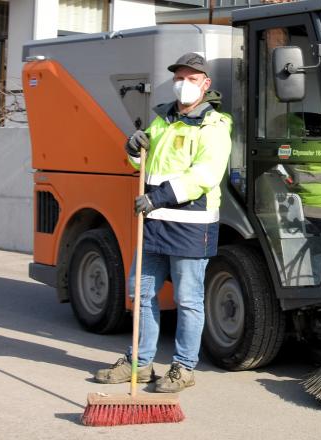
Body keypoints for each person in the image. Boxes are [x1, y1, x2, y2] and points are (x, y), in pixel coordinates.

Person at [93, 52, 232, 393]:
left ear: (206, 84)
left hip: (190, 225)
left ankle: (183, 368)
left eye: (192, 79)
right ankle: (139, 363)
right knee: (141, 295)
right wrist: (131, 147)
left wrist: (159, 197)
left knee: (188, 300)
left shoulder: (214, 127)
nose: (184, 84)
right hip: (154, 224)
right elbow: (142, 165)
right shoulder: (162, 120)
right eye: (179, 78)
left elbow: (205, 176)